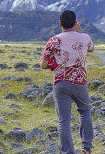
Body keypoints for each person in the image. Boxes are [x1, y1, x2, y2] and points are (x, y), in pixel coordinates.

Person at [40, 9, 94, 154]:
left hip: (61, 83)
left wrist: (54, 63)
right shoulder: (85, 38)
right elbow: (91, 49)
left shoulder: (53, 40)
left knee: (64, 120)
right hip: (80, 82)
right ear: (75, 23)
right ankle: (86, 147)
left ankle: (68, 152)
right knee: (85, 111)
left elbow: (43, 65)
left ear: (59, 24)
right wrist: (79, 30)